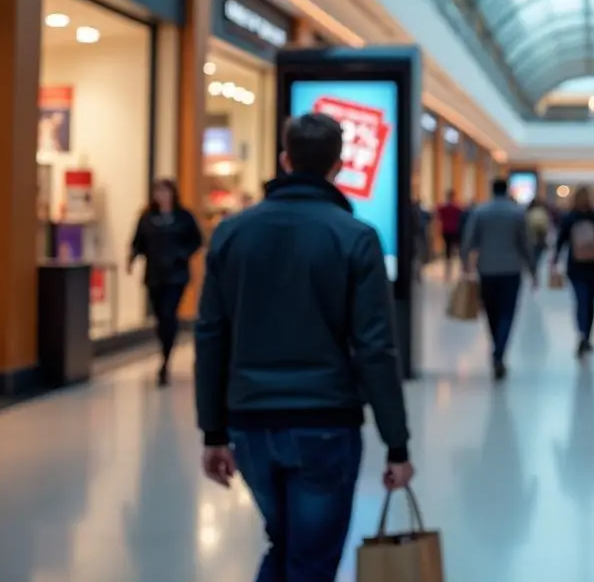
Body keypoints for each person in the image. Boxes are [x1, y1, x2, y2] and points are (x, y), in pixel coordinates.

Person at [194, 113, 414, 581]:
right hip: (325, 422)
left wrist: (213, 430)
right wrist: (397, 442)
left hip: (250, 422)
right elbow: (375, 348)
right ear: (338, 166)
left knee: (285, 542)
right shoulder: (355, 238)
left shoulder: (232, 234)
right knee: (311, 558)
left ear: (284, 160)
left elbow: (211, 335)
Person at [128, 178, 202, 387]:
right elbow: (138, 241)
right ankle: (164, 346)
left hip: (176, 275)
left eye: (165, 191)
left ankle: (165, 359)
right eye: (158, 191)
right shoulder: (147, 218)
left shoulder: (183, 217)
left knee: (169, 313)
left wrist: (182, 254)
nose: (162, 196)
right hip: (154, 275)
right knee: (161, 316)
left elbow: (196, 240)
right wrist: (131, 258)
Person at [462, 178, 536, 379]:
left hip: (486, 269)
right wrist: (532, 269)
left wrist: (465, 265)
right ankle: (499, 352)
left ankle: (496, 346)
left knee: (491, 311)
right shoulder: (517, 213)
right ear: (507, 190)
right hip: (511, 269)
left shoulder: (481, 212)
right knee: (507, 312)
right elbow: (525, 244)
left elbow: (469, 240)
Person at [552, 187, 594, 357]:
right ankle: (588, 336)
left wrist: (555, 258)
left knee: (580, 301)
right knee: (591, 302)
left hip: (575, 265)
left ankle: (581, 334)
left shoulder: (570, 217)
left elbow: (561, 239)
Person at [437, 189, 465, 280]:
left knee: (447, 250)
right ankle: (457, 269)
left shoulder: (442, 207)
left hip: (445, 230)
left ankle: (447, 271)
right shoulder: (457, 208)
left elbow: (438, 217)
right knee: (456, 249)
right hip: (455, 230)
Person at [526, 198, 551, 278]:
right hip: (540, 239)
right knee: (537, 257)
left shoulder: (528, 213)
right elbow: (545, 227)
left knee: (532, 256)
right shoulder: (542, 213)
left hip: (530, 239)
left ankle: (533, 270)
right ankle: (534, 270)